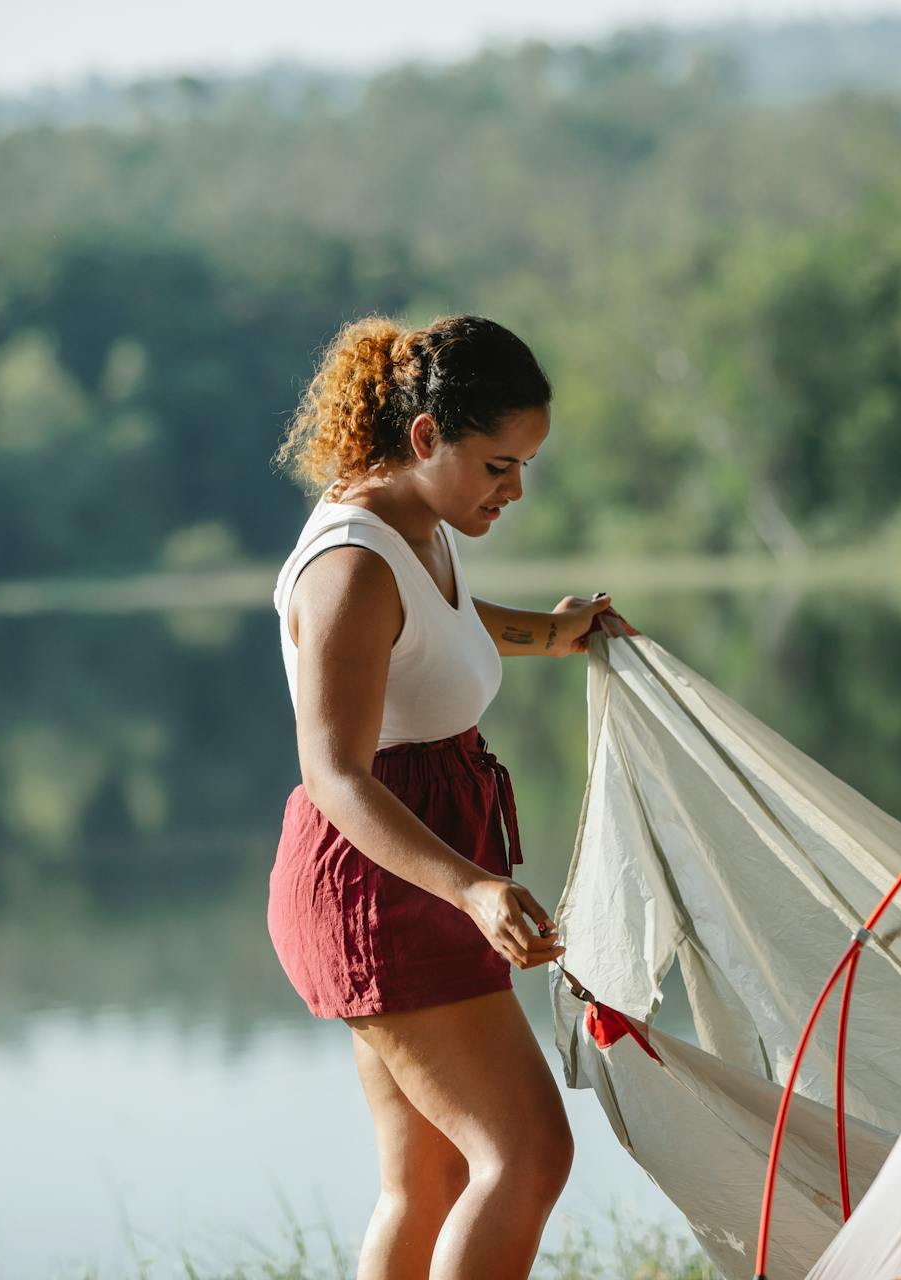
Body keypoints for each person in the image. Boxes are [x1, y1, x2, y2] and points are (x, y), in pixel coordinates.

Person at [266, 314, 618, 1279]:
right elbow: (334, 774)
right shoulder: (350, 563)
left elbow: (439, 633)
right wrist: (471, 889)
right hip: (381, 884)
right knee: (526, 1155)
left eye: (527, 466)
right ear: (426, 439)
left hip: (416, 871)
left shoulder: (419, 526)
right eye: (499, 465)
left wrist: (553, 634)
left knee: (430, 1181)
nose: (515, 491)